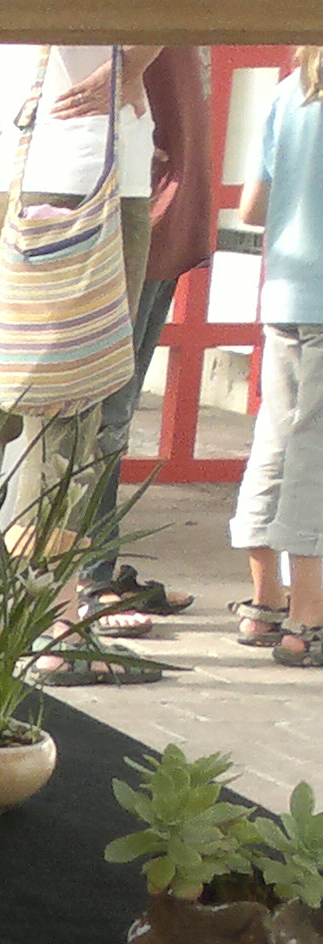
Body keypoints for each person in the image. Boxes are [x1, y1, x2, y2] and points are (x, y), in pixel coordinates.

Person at [0, 42, 162, 660]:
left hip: (7, 175)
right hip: (94, 182)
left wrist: (2, 67)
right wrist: (126, 67)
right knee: (71, 406)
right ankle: (50, 626)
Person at [76, 49, 217, 627]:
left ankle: (99, 565)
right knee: (105, 409)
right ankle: (88, 576)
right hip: (141, 207)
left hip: (167, 207)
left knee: (118, 408)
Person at [236, 50, 323, 666]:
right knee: (316, 454)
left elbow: (250, 208)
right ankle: (309, 618)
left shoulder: (288, 91)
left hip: (286, 291)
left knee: (275, 442)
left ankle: (264, 602)